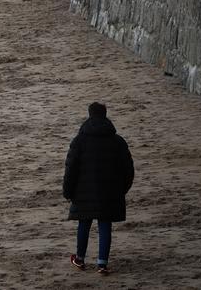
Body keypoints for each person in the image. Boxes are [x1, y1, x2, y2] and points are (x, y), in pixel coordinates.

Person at [63, 102, 135, 275]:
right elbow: (128, 170)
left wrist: (68, 191)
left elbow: (70, 168)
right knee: (105, 224)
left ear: (89, 115)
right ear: (105, 115)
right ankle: (102, 264)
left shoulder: (79, 140)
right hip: (110, 192)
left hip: (83, 192)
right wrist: (121, 190)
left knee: (84, 223)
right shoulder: (117, 141)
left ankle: (80, 258)